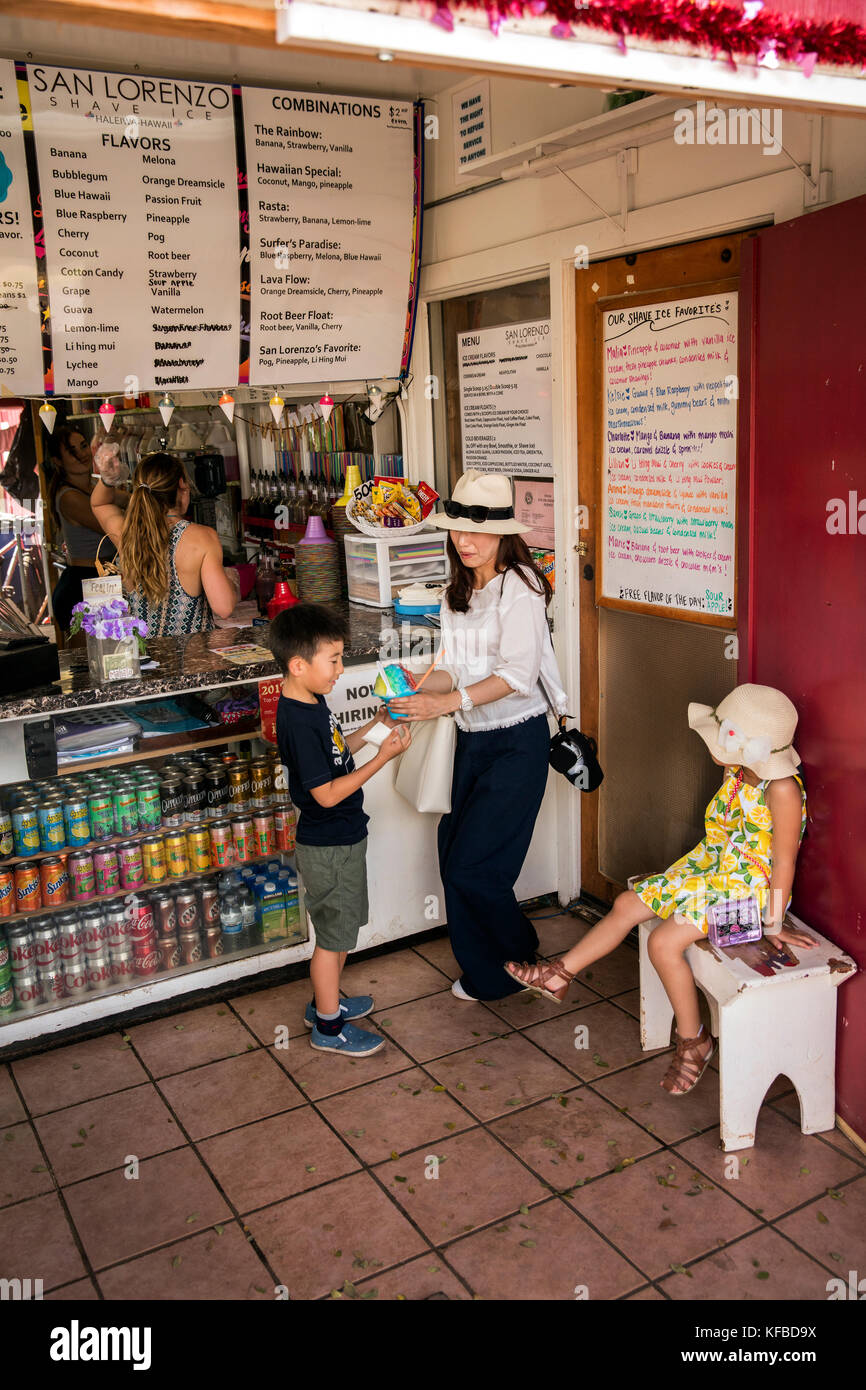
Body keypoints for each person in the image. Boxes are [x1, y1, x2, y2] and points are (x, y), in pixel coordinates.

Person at [505, 684, 816, 1095]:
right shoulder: (738, 772)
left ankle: (695, 1042)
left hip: (750, 901)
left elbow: (784, 862)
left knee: (665, 943)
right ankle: (560, 975)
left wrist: (772, 922)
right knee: (628, 903)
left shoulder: (782, 790)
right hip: (713, 872)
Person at [389, 470, 568, 1002]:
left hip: (518, 742)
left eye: (478, 533)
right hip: (471, 741)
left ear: (504, 534)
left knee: (476, 868)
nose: (464, 542)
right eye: (457, 530)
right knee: (453, 858)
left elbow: (516, 676)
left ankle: (518, 951)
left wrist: (447, 701)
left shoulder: (524, 588)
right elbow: (454, 666)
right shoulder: (458, 590)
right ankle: (493, 970)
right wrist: (425, 686)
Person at [272, 603, 410, 1056]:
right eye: (332, 660)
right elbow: (327, 793)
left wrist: (377, 726)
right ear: (298, 665)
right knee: (332, 941)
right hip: (330, 846)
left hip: (340, 840)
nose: (339, 669)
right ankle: (328, 1028)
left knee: (341, 932)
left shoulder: (311, 703)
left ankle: (324, 1004)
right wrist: (384, 757)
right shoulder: (297, 718)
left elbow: (337, 754)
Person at [91, 452, 238, 635]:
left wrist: (107, 479)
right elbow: (224, 608)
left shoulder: (128, 535)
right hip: (191, 658)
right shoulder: (202, 537)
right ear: (183, 486)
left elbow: (100, 504)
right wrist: (231, 581)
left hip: (144, 657)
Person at [46, 425, 122, 631]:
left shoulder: (94, 485)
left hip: (104, 578)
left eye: (83, 446)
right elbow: (110, 526)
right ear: (58, 461)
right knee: (87, 659)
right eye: (72, 451)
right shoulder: (69, 496)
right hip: (83, 583)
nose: (81, 454)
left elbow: (134, 500)